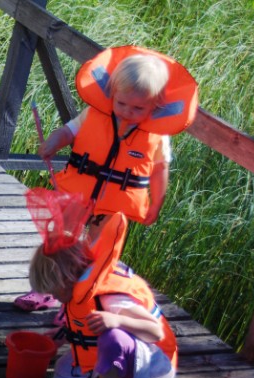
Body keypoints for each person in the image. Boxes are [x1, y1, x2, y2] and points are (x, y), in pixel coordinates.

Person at [14, 45, 198, 312]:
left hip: (113, 206)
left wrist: (157, 202)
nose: (126, 111)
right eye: (121, 103)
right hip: (78, 195)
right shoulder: (96, 114)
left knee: (97, 252)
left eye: (137, 108)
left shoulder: (157, 135)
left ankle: (79, 299)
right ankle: (44, 291)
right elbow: (69, 131)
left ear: (156, 105)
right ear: (112, 92)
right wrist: (53, 142)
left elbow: (159, 170)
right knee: (58, 243)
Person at [27, 211, 177, 378]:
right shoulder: (80, 289)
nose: (56, 297)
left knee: (112, 336)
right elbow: (80, 323)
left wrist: (117, 320)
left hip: (153, 365)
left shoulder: (111, 298)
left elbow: (155, 332)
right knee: (62, 373)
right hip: (131, 358)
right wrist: (61, 336)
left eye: (56, 291)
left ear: (70, 275)